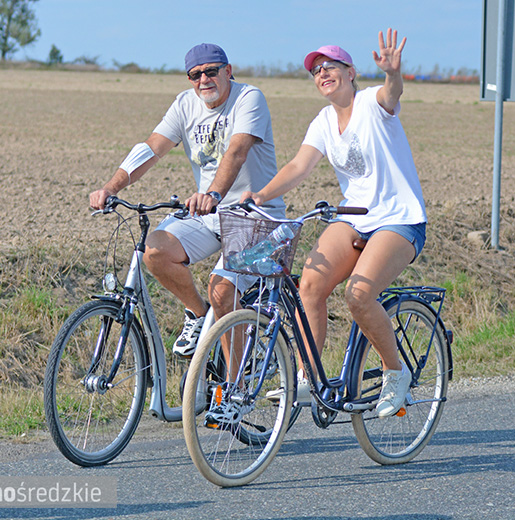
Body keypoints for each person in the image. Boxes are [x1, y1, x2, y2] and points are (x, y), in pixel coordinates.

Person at [242, 29, 427, 418]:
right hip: (355, 216)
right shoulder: (324, 120)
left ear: (351, 72)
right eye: (316, 70)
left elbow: (393, 93)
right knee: (309, 285)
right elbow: (298, 166)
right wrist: (259, 196)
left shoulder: (372, 102)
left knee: (358, 296)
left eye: (331, 67)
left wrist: (394, 73)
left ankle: (396, 372)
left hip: (398, 219)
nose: (323, 74)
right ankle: (309, 379)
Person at [89, 43, 285, 358]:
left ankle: (231, 392)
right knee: (154, 251)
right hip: (210, 215)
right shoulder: (185, 105)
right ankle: (198, 313)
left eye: (211, 71)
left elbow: (236, 152)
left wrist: (213, 193)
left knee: (222, 290)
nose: (203, 80)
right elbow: (151, 148)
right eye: (195, 75)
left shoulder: (249, 98)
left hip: (256, 217)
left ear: (228, 71)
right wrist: (111, 188)